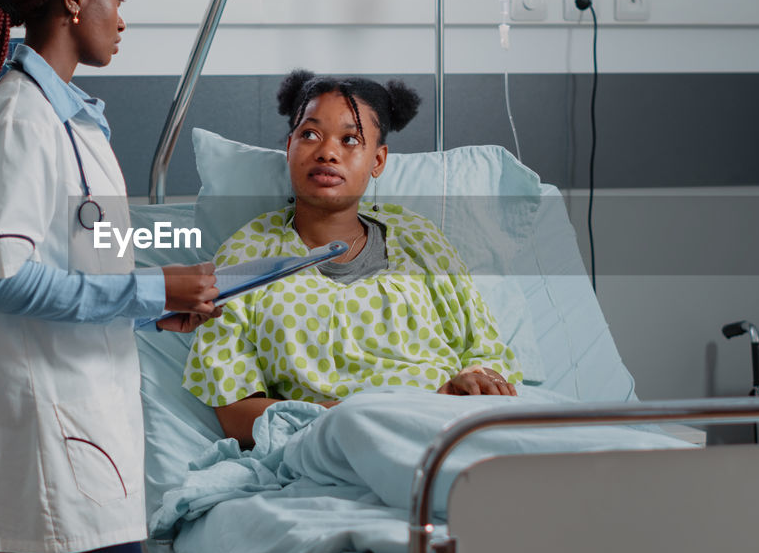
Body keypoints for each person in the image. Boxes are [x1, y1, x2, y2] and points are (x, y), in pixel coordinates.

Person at [0, 0, 220, 553]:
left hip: (87, 439)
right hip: (61, 447)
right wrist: (154, 293)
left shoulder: (73, 120)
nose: (123, 20)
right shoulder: (21, 118)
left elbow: (93, 271)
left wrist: (154, 311)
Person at [183, 69, 522, 447]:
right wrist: (358, 417)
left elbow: (485, 349)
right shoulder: (247, 255)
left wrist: (475, 381)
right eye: (310, 134)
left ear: (377, 161)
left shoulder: (420, 241)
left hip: (448, 427)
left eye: (350, 140)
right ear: (289, 145)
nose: (327, 151)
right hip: (329, 442)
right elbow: (234, 411)